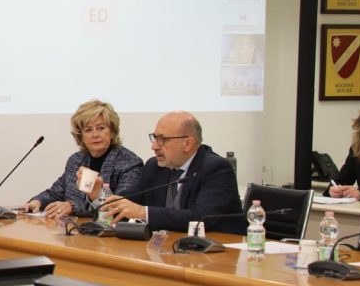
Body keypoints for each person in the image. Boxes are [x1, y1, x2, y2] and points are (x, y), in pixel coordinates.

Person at [104, 111, 244, 234]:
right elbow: (127, 203)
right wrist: (100, 198)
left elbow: (201, 217)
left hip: (217, 249)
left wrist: (144, 213)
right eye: (155, 138)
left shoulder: (216, 168)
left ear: (188, 144)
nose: (154, 146)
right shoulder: (155, 166)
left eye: (162, 140)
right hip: (169, 248)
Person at [23, 100, 142, 218]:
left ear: (112, 131)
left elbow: (118, 209)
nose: (95, 135)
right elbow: (56, 192)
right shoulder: (76, 160)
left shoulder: (129, 163)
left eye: (101, 128)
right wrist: (38, 201)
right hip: (74, 228)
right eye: (88, 130)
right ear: (81, 136)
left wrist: (73, 207)